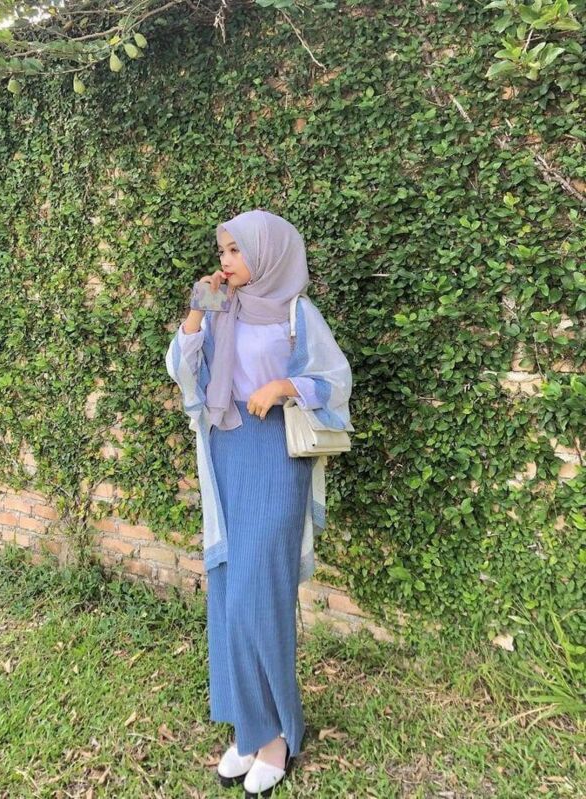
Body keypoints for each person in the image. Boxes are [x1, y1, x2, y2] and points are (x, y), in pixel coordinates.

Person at [165, 209, 353, 797]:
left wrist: (284, 386)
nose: (225, 261)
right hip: (227, 452)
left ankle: (278, 736)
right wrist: (198, 308)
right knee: (228, 592)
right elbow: (181, 369)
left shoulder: (297, 312)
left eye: (235, 250)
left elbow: (335, 379)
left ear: (267, 254)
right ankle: (250, 729)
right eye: (222, 251)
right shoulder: (222, 307)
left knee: (260, 592)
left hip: (275, 457)